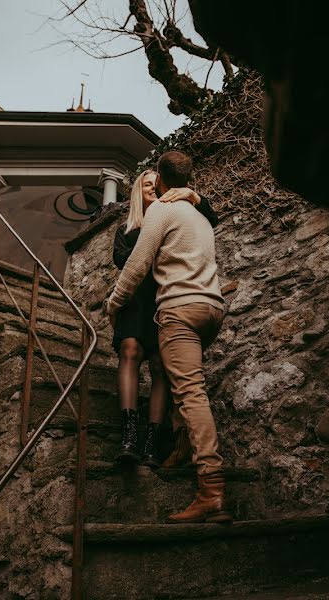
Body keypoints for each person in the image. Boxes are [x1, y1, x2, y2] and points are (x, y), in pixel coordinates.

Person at [106, 151, 230, 523]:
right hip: (212, 309)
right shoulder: (199, 217)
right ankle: (176, 445)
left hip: (180, 309)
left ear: (159, 178)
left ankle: (211, 490)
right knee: (172, 375)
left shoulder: (160, 210)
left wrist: (114, 303)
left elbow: (137, 264)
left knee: (191, 393)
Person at [111, 168, 218, 468]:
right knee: (129, 351)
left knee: (160, 366)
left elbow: (212, 220)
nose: (151, 187)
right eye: (145, 184)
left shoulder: (175, 214)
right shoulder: (127, 229)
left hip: (164, 298)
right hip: (136, 300)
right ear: (137, 191)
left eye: (154, 184)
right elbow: (123, 261)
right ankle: (130, 434)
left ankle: (152, 441)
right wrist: (152, 234)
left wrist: (194, 196)